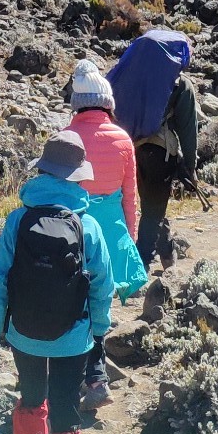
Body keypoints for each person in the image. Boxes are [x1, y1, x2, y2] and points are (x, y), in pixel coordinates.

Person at [0, 130, 114, 434]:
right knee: (67, 419)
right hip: (74, 341)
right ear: (76, 177)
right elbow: (102, 287)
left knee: (31, 399)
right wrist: (100, 334)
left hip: (24, 336)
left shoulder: (17, 221)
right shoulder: (87, 225)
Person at [66, 56, 146, 406]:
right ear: (107, 102)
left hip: (74, 229)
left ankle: (81, 377)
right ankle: (97, 380)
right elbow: (131, 196)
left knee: (75, 304)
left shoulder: (65, 137)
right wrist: (130, 236)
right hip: (111, 230)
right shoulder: (124, 140)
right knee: (101, 304)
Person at [108, 27, 200, 271]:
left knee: (147, 207)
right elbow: (188, 129)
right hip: (160, 154)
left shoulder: (128, 77)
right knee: (153, 210)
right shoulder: (180, 85)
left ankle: (167, 254)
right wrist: (190, 167)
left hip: (126, 149)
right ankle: (139, 266)